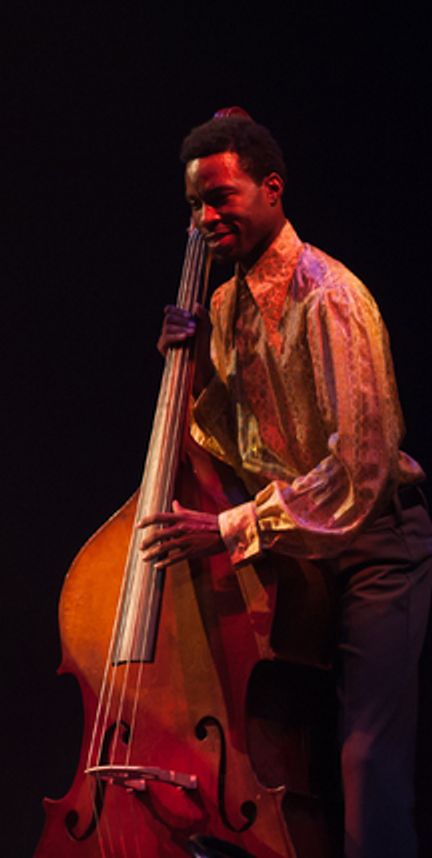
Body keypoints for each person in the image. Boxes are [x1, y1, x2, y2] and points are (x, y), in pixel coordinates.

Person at [141, 112, 432, 858]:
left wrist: (230, 529)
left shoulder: (329, 296)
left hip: (373, 543)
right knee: (274, 744)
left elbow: (358, 468)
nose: (206, 217)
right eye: (195, 204)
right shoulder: (229, 305)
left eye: (222, 197)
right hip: (295, 543)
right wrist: (190, 367)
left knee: (366, 758)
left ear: (272, 190)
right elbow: (240, 447)